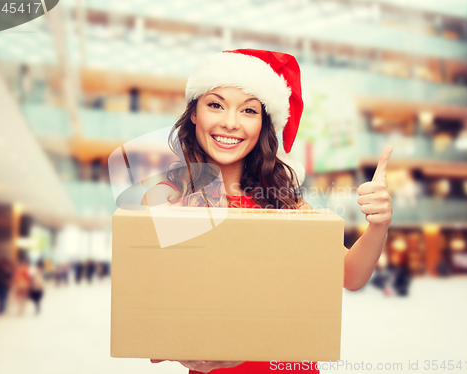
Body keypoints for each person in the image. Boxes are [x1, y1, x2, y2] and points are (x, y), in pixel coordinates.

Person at [146, 49, 394, 373]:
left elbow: (350, 275)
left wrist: (379, 225)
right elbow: (151, 315)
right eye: (215, 104)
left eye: (248, 110)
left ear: (263, 123)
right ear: (194, 112)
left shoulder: (281, 199)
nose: (230, 123)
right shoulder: (169, 199)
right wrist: (184, 349)